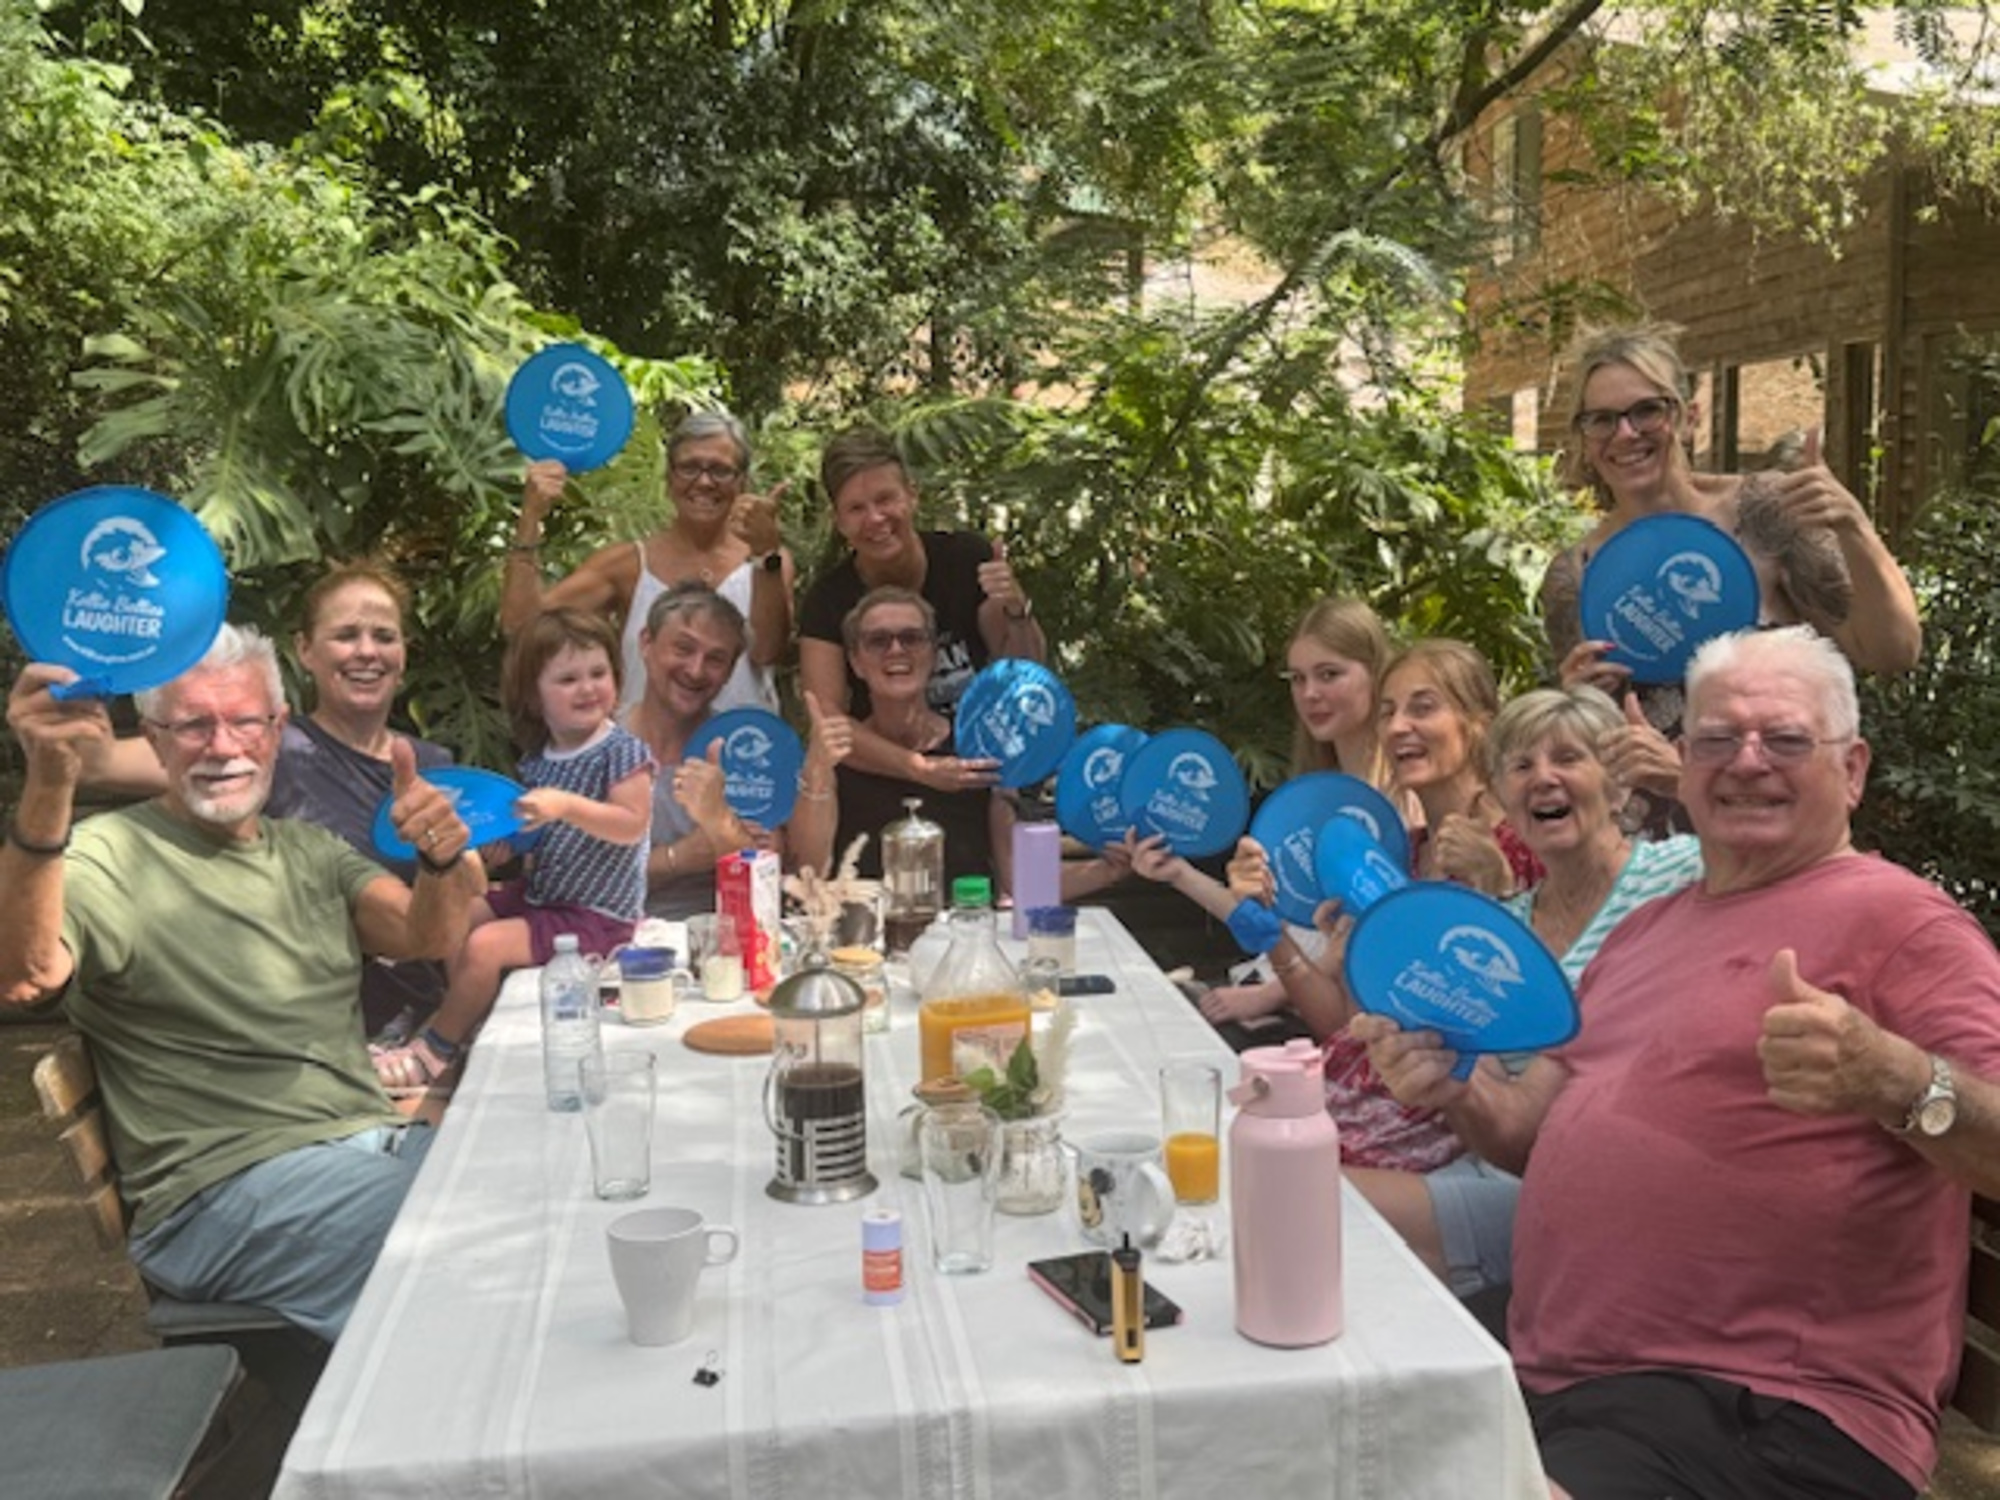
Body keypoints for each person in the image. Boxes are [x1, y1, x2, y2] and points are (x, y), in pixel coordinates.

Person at [1357, 627, 2000, 1500]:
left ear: (1851, 769)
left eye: (1784, 739)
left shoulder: (1903, 923)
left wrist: (1896, 1079)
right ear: (1680, 765)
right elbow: (1527, 1134)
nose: (1746, 762)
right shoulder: (1648, 926)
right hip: (1574, 1385)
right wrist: (1454, 1088)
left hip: (1760, 1413)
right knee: (1318, 1425)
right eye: (1715, 741)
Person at [0, 626, 482, 1340]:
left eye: (244, 722)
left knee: (531, 1182)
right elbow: (22, 976)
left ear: (278, 731)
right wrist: (49, 787)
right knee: (453, 1239)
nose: (223, 747)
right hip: (220, 1192)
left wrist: (441, 860)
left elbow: (426, 934)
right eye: (193, 724)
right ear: (156, 740)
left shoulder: (309, 850)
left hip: (365, 1148)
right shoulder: (108, 855)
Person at [1350, 685, 1701, 1298]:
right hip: (1498, 1171)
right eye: (1521, 766)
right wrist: (1435, 1070)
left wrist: (1691, 781)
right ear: (1503, 801)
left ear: (1620, 787)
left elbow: (1811, 867)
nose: (1543, 779)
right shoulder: (1499, 929)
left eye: (1568, 759)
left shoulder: (1683, 874)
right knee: (1286, 1185)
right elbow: (1488, 1105)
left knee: (1318, 1207)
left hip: (1620, 1196)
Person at [1541, 325, 1922, 832]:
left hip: (1778, 832)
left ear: (1689, 416)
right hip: (1654, 859)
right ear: (1584, 439)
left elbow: (1892, 650)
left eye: (1647, 410)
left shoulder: (1762, 512)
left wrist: (1855, 529)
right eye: (1602, 420)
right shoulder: (1577, 574)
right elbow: (1583, 753)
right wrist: (1576, 700)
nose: (1626, 434)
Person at [72, 562, 455, 1042]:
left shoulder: (431, 763)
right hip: (323, 1037)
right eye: (346, 635)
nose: (366, 652)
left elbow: (464, 891)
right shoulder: (258, 749)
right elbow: (97, 762)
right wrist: (84, 667)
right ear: (304, 650)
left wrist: (454, 852)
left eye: (384, 635)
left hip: (428, 1022)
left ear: (403, 653)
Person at [373, 609, 653, 1092]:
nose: (587, 688)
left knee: (485, 945)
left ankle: (438, 1049)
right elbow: (538, 838)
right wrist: (510, 848)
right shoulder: (540, 759)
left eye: (598, 673)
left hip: (599, 915)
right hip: (546, 896)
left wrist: (565, 806)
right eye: (567, 679)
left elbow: (631, 825)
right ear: (534, 696)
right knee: (458, 913)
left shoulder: (622, 751)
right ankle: (461, 1016)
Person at [1126, 596, 1400, 1043]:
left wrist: (1267, 998)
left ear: (1376, 673)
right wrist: (1177, 873)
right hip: (1267, 985)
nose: (1310, 694)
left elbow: (1357, 938)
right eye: (1298, 679)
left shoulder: (1398, 804)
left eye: (1329, 674)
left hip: (1325, 1023)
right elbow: (1269, 923)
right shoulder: (1310, 794)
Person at [791, 587, 1127, 901]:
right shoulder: (834, 756)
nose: (896, 650)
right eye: (877, 641)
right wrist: (817, 772)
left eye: (911, 638)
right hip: (865, 947)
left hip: (967, 941)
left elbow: (1020, 881)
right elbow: (809, 874)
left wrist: (1109, 870)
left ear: (933, 653)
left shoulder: (979, 746)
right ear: (856, 663)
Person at [797, 426, 1045, 786]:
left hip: (984, 763)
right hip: (883, 772)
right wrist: (919, 768)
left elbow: (1026, 675)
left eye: (885, 499)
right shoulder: (828, 601)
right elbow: (827, 722)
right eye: (856, 508)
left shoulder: (967, 560)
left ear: (912, 496)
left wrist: (1016, 609)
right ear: (839, 522)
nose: (875, 519)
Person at [500, 410, 794, 713]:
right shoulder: (627, 565)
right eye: (689, 468)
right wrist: (531, 516)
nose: (704, 482)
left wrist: (765, 555)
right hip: (644, 756)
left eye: (720, 470)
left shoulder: (768, 560)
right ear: (668, 478)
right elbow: (521, 626)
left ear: (742, 482)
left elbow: (767, 651)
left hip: (742, 752)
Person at [620, 582, 847, 918]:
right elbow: (568, 882)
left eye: (716, 659)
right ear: (646, 643)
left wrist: (817, 772)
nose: (696, 670)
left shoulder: (751, 747)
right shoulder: (596, 745)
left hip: (733, 936)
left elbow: (801, 873)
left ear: (729, 672)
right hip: (614, 941)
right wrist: (681, 857)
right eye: (683, 649)